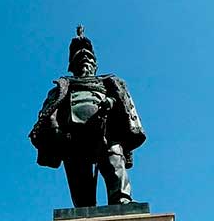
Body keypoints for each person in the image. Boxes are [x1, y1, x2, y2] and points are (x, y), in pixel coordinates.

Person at [29, 26, 146, 207]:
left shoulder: (107, 83)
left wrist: (111, 102)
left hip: (105, 131)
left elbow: (121, 101)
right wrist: (57, 132)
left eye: (89, 59)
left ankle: (121, 199)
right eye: (80, 60)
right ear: (73, 67)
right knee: (78, 174)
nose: (85, 62)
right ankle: (84, 207)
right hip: (73, 136)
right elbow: (51, 112)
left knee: (114, 160)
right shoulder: (63, 87)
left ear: (95, 65)